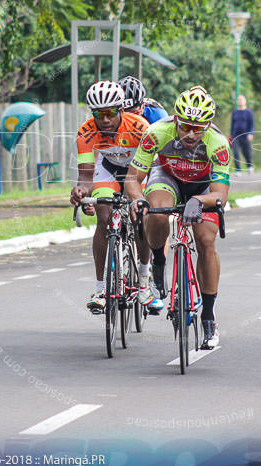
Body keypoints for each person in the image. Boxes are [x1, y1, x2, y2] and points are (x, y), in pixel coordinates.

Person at [126, 86, 231, 350]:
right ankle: (159, 263)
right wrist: (138, 199)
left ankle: (208, 316)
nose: (191, 134)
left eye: (198, 128)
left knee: (206, 241)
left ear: (208, 125)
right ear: (175, 119)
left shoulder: (218, 144)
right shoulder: (156, 133)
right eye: (185, 126)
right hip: (167, 176)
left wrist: (199, 201)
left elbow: (220, 194)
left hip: (202, 188)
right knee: (158, 211)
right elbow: (133, 178)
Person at [69, 81, 161, 314]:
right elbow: (87, 175)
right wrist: (81, 191)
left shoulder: (140, 128)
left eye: (111, 112)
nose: (106, 119)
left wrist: (141, 199)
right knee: (104, 215)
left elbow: (153, 168)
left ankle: (143, 283)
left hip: (138, 171)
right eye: (99, 114)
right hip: (108, 170)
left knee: (141, 218)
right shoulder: (86, 132)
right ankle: (101, 289)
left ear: (121, 109)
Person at [119, 75, 170, 302]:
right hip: (123, 159)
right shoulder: (112, 115)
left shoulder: (157, 116)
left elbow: (163, 160)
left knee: (155, 214)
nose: (130, 117)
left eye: (135, 111)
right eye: (124, 112)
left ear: (143, 105)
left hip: (152, 161)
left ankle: (153, 271)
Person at [229, 94, 254, 174]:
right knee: (236, 153)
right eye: (239, 100)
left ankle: (250, 166)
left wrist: (251, 133)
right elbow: (232, 124)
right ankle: (238, 170)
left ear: (245, 101)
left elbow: (251, 124)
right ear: (237, 102)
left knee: (247, 152)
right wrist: (231, 136)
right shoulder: (235, 112)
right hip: (236, 136)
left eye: (241, 100)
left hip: (245, 136)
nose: (240, 101)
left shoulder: (248, 112)